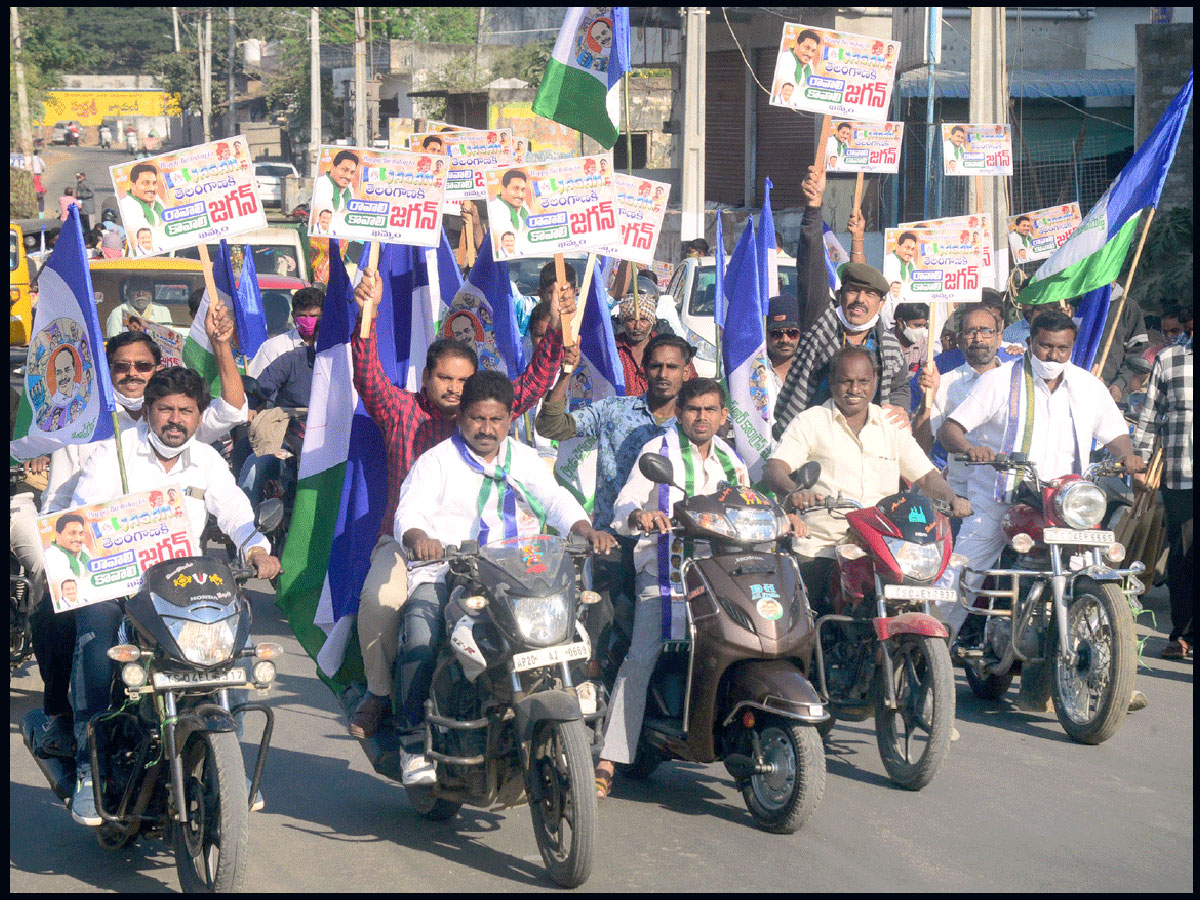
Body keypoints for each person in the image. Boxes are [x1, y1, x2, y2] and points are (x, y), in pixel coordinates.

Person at [345, 265, 570, 741]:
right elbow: (365, 374)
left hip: (493, 552)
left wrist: (553, 322)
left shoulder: (482, 421)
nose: (451, 388)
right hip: (416, 548)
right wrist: (369, 309)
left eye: (461, 380)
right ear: (426, 378)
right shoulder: (399, 409)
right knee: (380, 602)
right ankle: (381, 695)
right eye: (442, 377)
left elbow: (531, 384)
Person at [66, 366, 279, 826]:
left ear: (200, 416)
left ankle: (229, 765)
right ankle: (89, 769)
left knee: (232, 653)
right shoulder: (113, 454)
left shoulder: (207, 460)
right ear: (148, 411)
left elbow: (236, 512)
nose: (175, 419)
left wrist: (257, 548)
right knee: (98, 648)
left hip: (184, 588)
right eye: (165, 409)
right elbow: (81, 516)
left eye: (186, 410)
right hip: (120, 588)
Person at [392, 370, 616, 783]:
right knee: (421, 636)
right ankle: (411, 745)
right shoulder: (436, 462)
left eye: (496, 420)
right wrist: (420, 537)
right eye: (477, 419)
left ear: (510, 419)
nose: (486, 429)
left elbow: (556, 500)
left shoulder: (524, 459)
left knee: (580, 625)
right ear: (461, 417)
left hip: (519, 576)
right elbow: (410, 512)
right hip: (451, 572)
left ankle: (579, 710)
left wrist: (584, 530)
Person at [595, 378, 766, 799]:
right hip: (664, 571)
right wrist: (642, 516)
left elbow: (750, 506)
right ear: (679, 412)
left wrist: (782, 518)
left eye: (710, 410)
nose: (701, 417)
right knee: (641, 655)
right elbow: (625, 504)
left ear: (724, 416)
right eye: (693, 409)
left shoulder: (732, 463)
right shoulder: (657, 453)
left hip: (721, 574)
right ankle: (608, 758)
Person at [935, 309, 1145, 646]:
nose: (1053, 355)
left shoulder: (1088, 386)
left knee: (1091, 575)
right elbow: (950, 429)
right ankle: (925, 651)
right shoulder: (999, 380)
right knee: (961, 576)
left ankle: (1106, 666)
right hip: (999, 499)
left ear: (1072, 347)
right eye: (1046, 346)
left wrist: (1126, 455)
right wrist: (971, 448)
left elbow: (1115, 433)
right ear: (1030, 342)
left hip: (1065, 506)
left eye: (1062, 349)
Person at [766, 346, 970, 606]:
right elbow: (774, 468)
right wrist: (796, 491)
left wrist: (953, 498)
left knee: (925, 601)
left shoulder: (890, 425)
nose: (854, 390)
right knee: (807, 624)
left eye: (863, 381)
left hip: (885, 547)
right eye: (846, 382)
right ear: (832, 382)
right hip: (824, 546)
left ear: (874, 381)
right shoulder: (810, 421)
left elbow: (927, 477)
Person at [773, 260, 912, 440]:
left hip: (867, 441)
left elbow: (899, 386)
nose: (860, 300)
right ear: (840, 295)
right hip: (813, 437)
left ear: (881, 303)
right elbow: (810, 275)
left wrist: (899, 408)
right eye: (853, 291)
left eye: (870, 294)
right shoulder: (818, 329)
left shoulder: (889, 346)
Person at [914, 304, 1006, 532]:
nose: (978, 338)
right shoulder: (944, 385)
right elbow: (922, 445)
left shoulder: (1016, 382)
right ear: (960, 340)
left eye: (986, 330)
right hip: (961, 499)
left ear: (999, 338)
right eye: (970, 332)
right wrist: (926, 404)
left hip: (1008, 497)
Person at [1132, 332, 1192, 659]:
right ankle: (1182, 633)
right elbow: (1150, 415)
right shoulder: (1170, 359)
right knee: (1182, 558)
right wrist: (1138, 463)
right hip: (1182, 476)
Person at [615, 275, 696, 395]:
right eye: (631, 320)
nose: (637, 327)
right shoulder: (613, 348)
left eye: (643, 320)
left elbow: (693, 386)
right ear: (623, 321)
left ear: (652, 320)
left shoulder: (669, 347)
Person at [249, 287, 323, 378]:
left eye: (313, 316)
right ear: (293, 315)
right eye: (302, 316)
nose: (308, 321)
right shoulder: (273, 348)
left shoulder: (333, 347)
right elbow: (255, 385)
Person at [104, 275, 172, 337]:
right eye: (136, 289)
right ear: (127, 293)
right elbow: (113, 343)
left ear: (151, 293)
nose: (141, 293)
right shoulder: (117, 313)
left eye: (145, 289)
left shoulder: (163, 311)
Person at [765, 292, 802, 404]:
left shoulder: (811, 370)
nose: (785, 339)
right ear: (765, 334)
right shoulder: (751, 370)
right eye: (776, 334)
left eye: (792, 333)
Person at [118, 162, 165, 232]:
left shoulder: (157, 201)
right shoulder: (128, 205)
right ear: (132, 185)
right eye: (146, 183)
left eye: (154, 183)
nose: (151, 188)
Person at [487, 169, 530, 245]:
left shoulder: (523, 208)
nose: (520, 195)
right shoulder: (497, 207)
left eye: (523, 190)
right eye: (515, 188)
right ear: (503, 189)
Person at [774, 28, 822, 94]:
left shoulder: (809, 65)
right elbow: (789, 92)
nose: (809, 54)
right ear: (796, 45)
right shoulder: (786, 59)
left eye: (813, 51)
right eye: (806, 48)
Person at [312, 149, 359, 215]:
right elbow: (324, 217)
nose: (348, 176)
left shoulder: (348, 189)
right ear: (333, 168)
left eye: (352, 172)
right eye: (345, 170)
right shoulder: (323, 184)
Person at [892, 302, 930, 376]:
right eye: (917, 325)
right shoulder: (883, 340)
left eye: (924, 326)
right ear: (901, 323)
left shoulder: (924, 344)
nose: (921, 330)